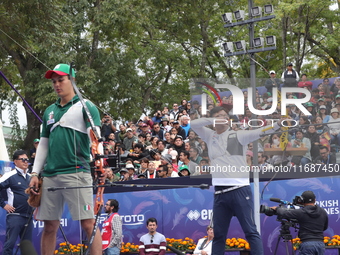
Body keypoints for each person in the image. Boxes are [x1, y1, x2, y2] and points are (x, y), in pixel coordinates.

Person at [28, 63, 102, 255]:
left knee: (88, 224)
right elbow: (43, 144)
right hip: (51, 175)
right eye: (54, 81)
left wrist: (99, 154)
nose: (57, 84)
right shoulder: (49, 111)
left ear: (72, 80)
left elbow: (94, 135)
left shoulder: (86, 106)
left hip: (77, 171)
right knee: (50, 226)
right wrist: (35, 173)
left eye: (61, 80)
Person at [191, 106, 283, 255]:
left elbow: (260, 131)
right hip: (220, 193)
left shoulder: (238, 135)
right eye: (221, 115)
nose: (225, 118)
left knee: (250, 231)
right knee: (218, 235)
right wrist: (213, 119)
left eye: (226, 116)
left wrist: (278, 124)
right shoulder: (209, 135)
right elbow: (194, 124)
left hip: (239, 190)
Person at [272, 191, 328, 255]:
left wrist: (277, 209)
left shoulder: (301, 212)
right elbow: (325, 227)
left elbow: (285, 213)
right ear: (315, 200)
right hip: (320, 244)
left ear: (302, 200)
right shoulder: (323, 211)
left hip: (307, 244)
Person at [0, 150, 34, 255]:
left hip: (29, 216)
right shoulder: (10, 175)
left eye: (27, 160)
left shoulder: (30, 177)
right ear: (15, 161)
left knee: (27, 246)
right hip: (15, 216)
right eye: (22, 159)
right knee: (10, 244)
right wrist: (3, 204)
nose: (25, 162)